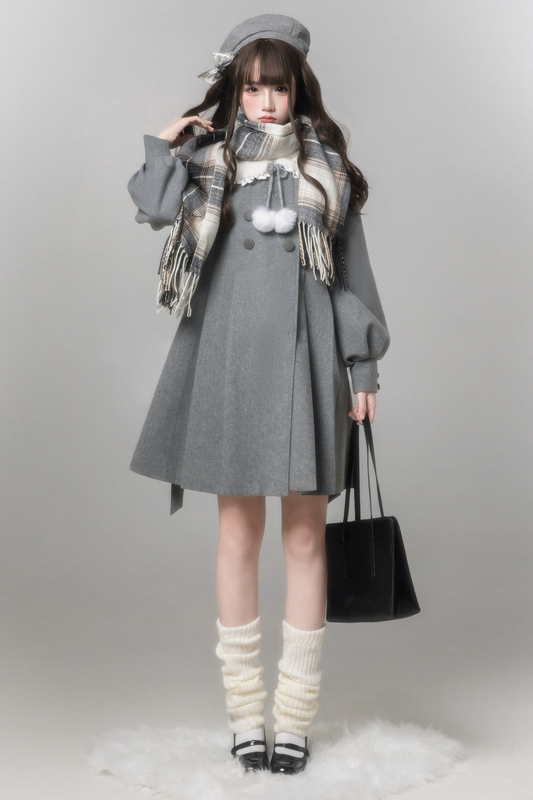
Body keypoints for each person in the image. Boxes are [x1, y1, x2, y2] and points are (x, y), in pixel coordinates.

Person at [127, 14, 390, 776]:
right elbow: (152, 207)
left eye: (277, 87)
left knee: (304, 540)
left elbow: (351, 279)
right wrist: (166, 143)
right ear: (234, 91)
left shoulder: (327, 172)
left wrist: (362, 370)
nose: (265, 101)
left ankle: (294, 719)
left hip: (309, 364)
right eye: (251, 87)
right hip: (227, 363)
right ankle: (246, 716)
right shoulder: (210, 160)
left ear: (297, 89)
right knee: (236, 534)